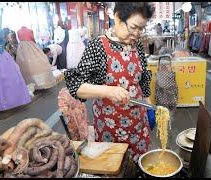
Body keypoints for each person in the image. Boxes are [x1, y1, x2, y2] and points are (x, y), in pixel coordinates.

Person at [64, 2, 154, 162]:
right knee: (114, 166)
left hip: (139, 125)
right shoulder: (98, 47)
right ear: (118, 18)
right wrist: (108, 91)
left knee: (138, 165)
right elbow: (76, 86)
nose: (137, 33)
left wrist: (149, 106)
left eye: (141, 29)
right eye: (133, 27)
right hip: (110, 128)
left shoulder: (137, 44)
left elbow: (144, 78)